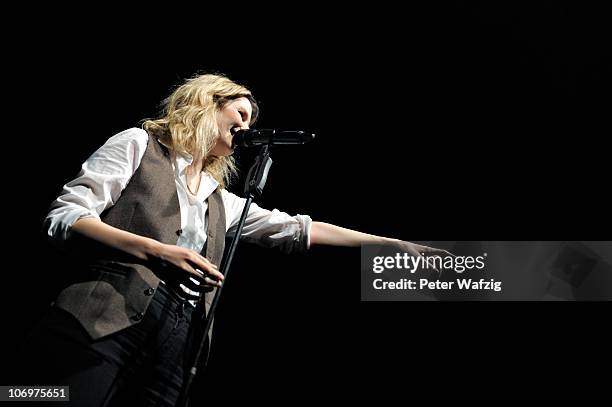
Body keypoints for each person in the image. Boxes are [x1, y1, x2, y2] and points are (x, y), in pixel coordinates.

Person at [18, 73, 449, 406]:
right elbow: (65, 216)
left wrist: (388, 244)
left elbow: (299, 228)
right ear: (208, 103)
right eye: (240, 114)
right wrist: (155, 250)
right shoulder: (140, 144)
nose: (247, 126)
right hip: (104, 315)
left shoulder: (218, 197)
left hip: (177, 340)